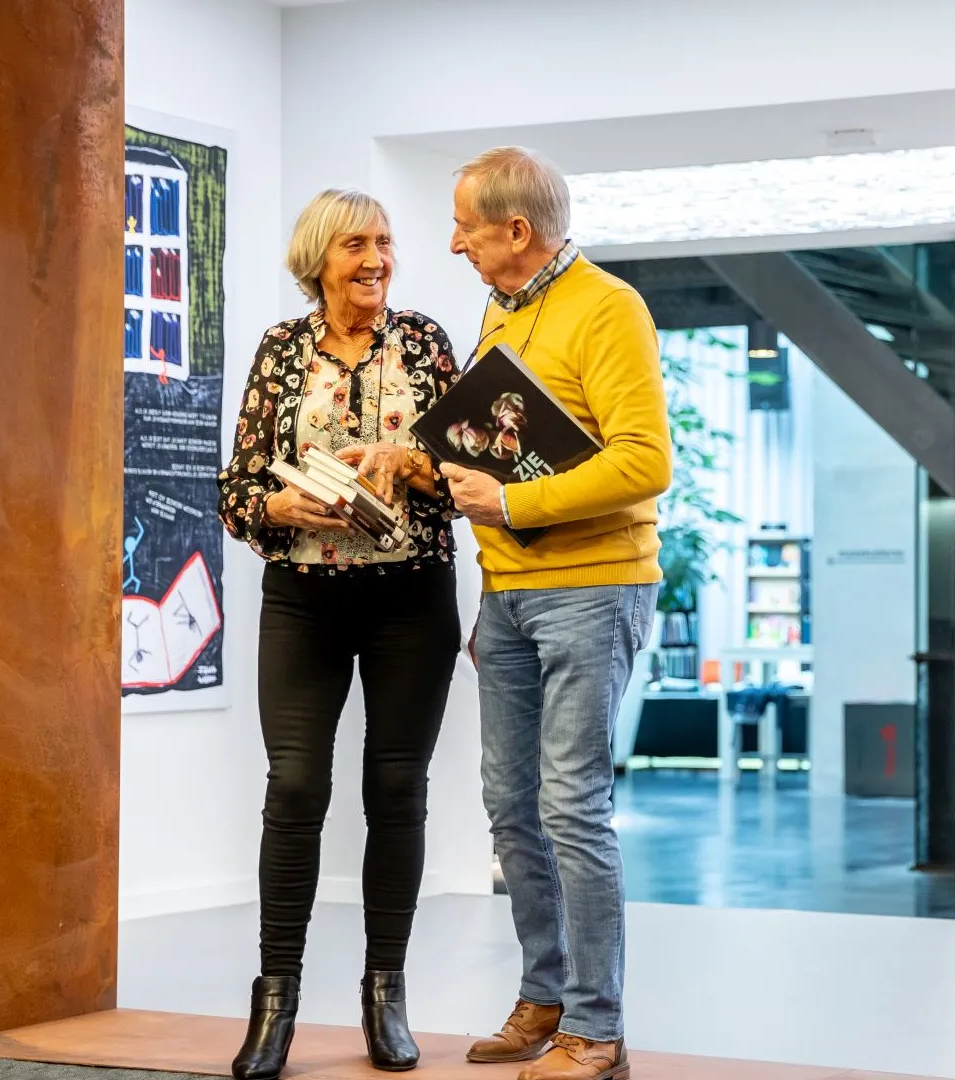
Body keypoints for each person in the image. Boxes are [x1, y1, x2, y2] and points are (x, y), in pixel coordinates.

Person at [218, 189, 463, 1079]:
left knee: (396, 791)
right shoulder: (281, 351)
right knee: (294, 789)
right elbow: (239, 488)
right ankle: (275, 1001)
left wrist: (410, 463)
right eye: (357, 243)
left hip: (412, 601)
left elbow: (470, 465)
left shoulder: (428, 341)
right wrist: (275, 505)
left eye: (386, 243)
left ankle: (385, 993)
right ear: (319, 256)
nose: (377, 259)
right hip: (303, 598)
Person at [441, 146, 670, 1080]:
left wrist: (512, 508)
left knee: (572, 806)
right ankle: (546, 996)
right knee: (509, 807)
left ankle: (598, 1028)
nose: (454, 244)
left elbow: (644, 460)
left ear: (516, 231)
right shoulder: (501, 309)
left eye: (465, 227)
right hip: (513, 598)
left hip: (594, 588)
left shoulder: (609, 307)